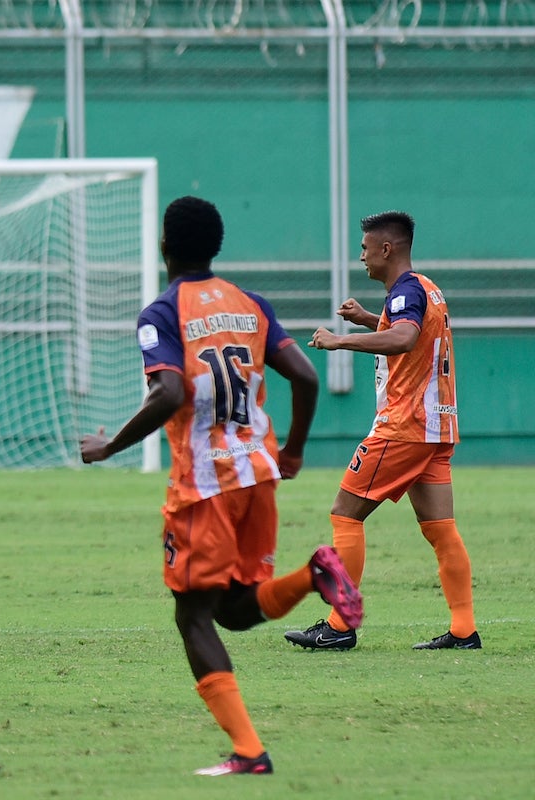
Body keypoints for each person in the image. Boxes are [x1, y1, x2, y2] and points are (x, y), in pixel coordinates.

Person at [80, 196, 362, 777]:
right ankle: (314, 575)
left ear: (164, 247)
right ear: (215, 246)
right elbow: (305, 375)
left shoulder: (162, 313)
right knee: (232, 611)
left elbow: (169, 393)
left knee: (192, 616)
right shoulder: (249, 305)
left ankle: (250, 752)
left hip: (204, 486)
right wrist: (295, 450)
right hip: (257, 476)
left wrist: (109, 447)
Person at [288, 210, 479, 652]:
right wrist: (367, 319)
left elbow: (405, 338)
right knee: (441, 529)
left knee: (345, 514)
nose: (362, 258)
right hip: (437, 425)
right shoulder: (425, 288)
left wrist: (339, 340)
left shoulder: (405, 290)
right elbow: (407, 330)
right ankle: (465, 630)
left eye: (365, 249)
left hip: (404, 427)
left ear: (386, 249)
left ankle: (339, 625)